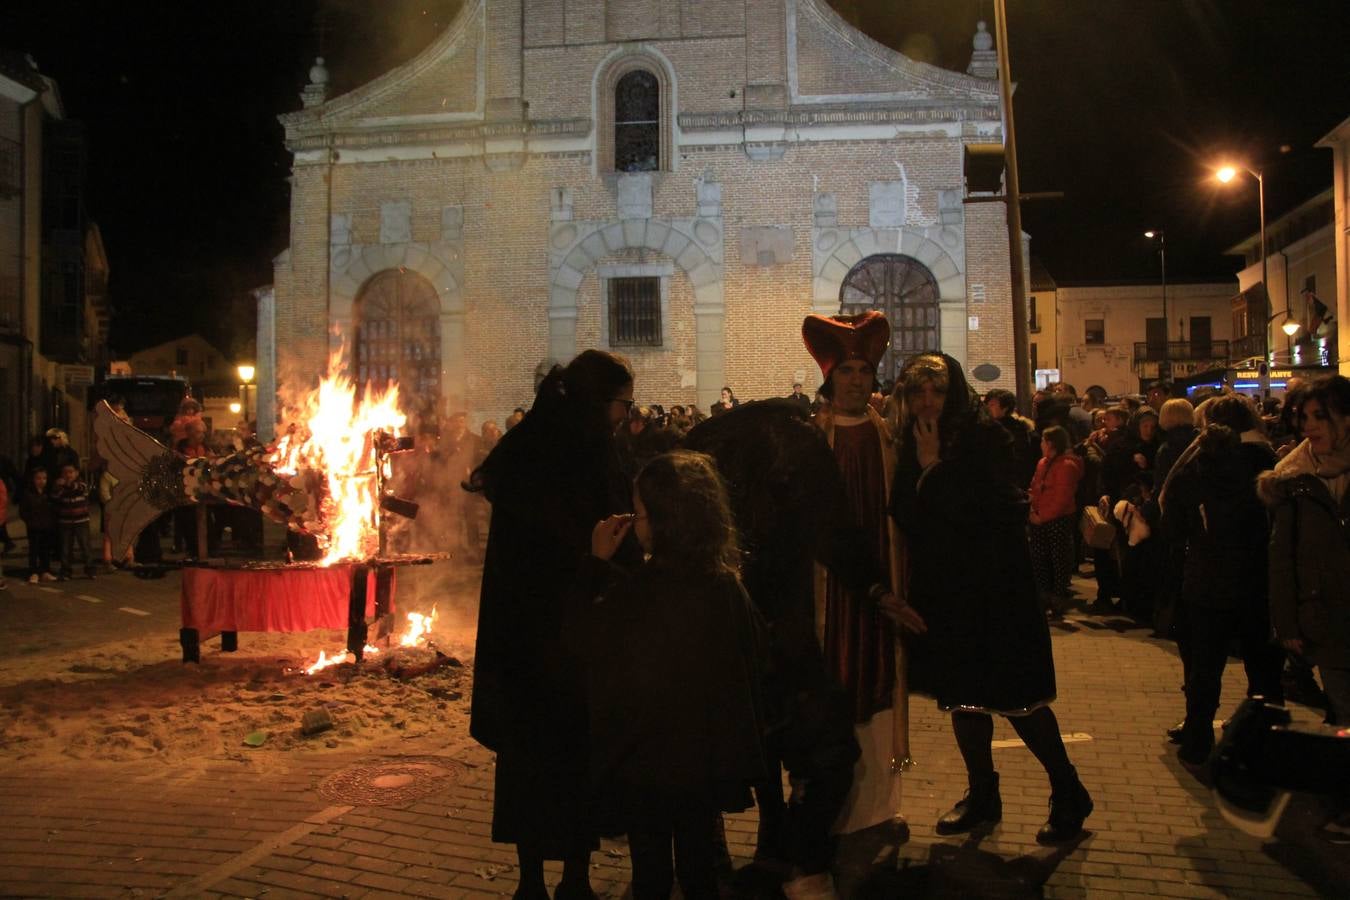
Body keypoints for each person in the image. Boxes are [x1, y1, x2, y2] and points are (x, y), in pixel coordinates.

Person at [891, 352, 1092, 843]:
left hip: (998, 591)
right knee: (964, 698)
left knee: (1017, 697)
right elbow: (905, 513)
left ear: (954, 393)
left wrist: (934, 469)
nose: (927, 401)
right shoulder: (908, 440)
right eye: (918, 391)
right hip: (948, 589)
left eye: (937, 391)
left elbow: (997, 510)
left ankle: (1068, 790)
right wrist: (923, 469)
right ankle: (983, 792)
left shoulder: (988, 438)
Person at [469, 349, 638, 899]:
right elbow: (603, 540)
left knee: (530, 761)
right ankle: (573, 881)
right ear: (599, 401)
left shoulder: (528, 446)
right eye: (623, 403)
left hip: (523, 639)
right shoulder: (588, 453)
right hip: (569, 636)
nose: (626, 415)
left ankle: (533, 882)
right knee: (570, 758)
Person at [572, 451, 766, 899]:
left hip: (646, 764)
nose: (634, 523)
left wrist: (595, 564)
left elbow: (582, 645)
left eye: (639, 513)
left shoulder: (636, 594)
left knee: (651, 871)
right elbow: (754, 661)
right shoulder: (726, 588)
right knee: (699, 865)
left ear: (663, 521)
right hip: (704, 761)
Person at [801, 311, 926, 843]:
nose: (856, 380)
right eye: (847, 372)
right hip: (827, 586)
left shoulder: (890, 436)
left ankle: (878, 807)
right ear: (830, 380)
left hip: (883, 578)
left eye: (864, 371)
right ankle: (827, 806)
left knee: (880, 678)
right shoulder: (811, 438)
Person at [1164, 397, 1282, 767]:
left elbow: (1172, 519)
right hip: (1259, 577)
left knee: (1204, 665)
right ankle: (1264, 740)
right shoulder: (1269, 462)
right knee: (1263, 666)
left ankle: (1197, 737)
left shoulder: (1197, 466)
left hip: (1207, 577)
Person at [1258, 375, 1350, 843]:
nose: (1310, 426)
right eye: (1303, 418)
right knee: (1345, 712)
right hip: (1327, 620)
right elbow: (1283, 558)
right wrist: (1287, 622)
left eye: (1321, 416)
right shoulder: (1292, 480)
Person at [1027, 426, 1083, 616]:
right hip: (1039, 517)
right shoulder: (1042, 463)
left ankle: (1058, 597)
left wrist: (1041, 516)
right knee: (1039, 558)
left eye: (1043, 441)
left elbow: (1061, 498)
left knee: (1058, 559)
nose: (1040, 444)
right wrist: (1032, 508)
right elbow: (1036, 486)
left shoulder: (1067, 466)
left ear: (1050, 443)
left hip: (1057, 519)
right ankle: (1043, 596)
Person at [985, 388, 1039, 488]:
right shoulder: (986, 427)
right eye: (987, 404)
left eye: (992, 405)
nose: (987, 408)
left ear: (1005, 408)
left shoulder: (1017, 429)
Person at [52, 463, 95, 580]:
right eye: (65, 472)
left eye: (70, 472)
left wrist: (67, 485)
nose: (68, 475)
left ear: (76, 473)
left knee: (85, 545)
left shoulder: (82, 484)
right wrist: (60, 487)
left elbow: (79, 489)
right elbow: (56, 496)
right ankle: (66, 570)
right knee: (66, 548)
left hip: (81, 520)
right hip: (65, 521)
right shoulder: (58, 487)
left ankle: (90, 568)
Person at [20, 468, 57, 583]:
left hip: (47, 525)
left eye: (44, 478)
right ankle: (33, 572)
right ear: (33, 479)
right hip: (34, 527)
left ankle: (45, 571)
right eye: (38, 478)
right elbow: (23, 511)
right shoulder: (28, 493)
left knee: (45, 550)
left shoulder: (49, 493)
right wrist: (30, 521)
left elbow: (53, 507)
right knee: (34, 550)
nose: (42, 481)